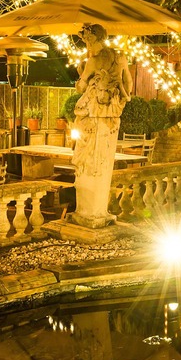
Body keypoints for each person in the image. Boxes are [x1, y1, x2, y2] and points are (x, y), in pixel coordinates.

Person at [71, 23, 131, 227]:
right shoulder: (120, 56)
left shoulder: (93, 61)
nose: (86, 44)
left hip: (93, 113)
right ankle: (98, 211)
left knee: (89, 160)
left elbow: (81, 87)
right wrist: (122, 96)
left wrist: (80, 72)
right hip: (112, 113)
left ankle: (89, 213)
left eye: (86, 40)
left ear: (91, 39)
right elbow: (128, 82)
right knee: (103, 161)